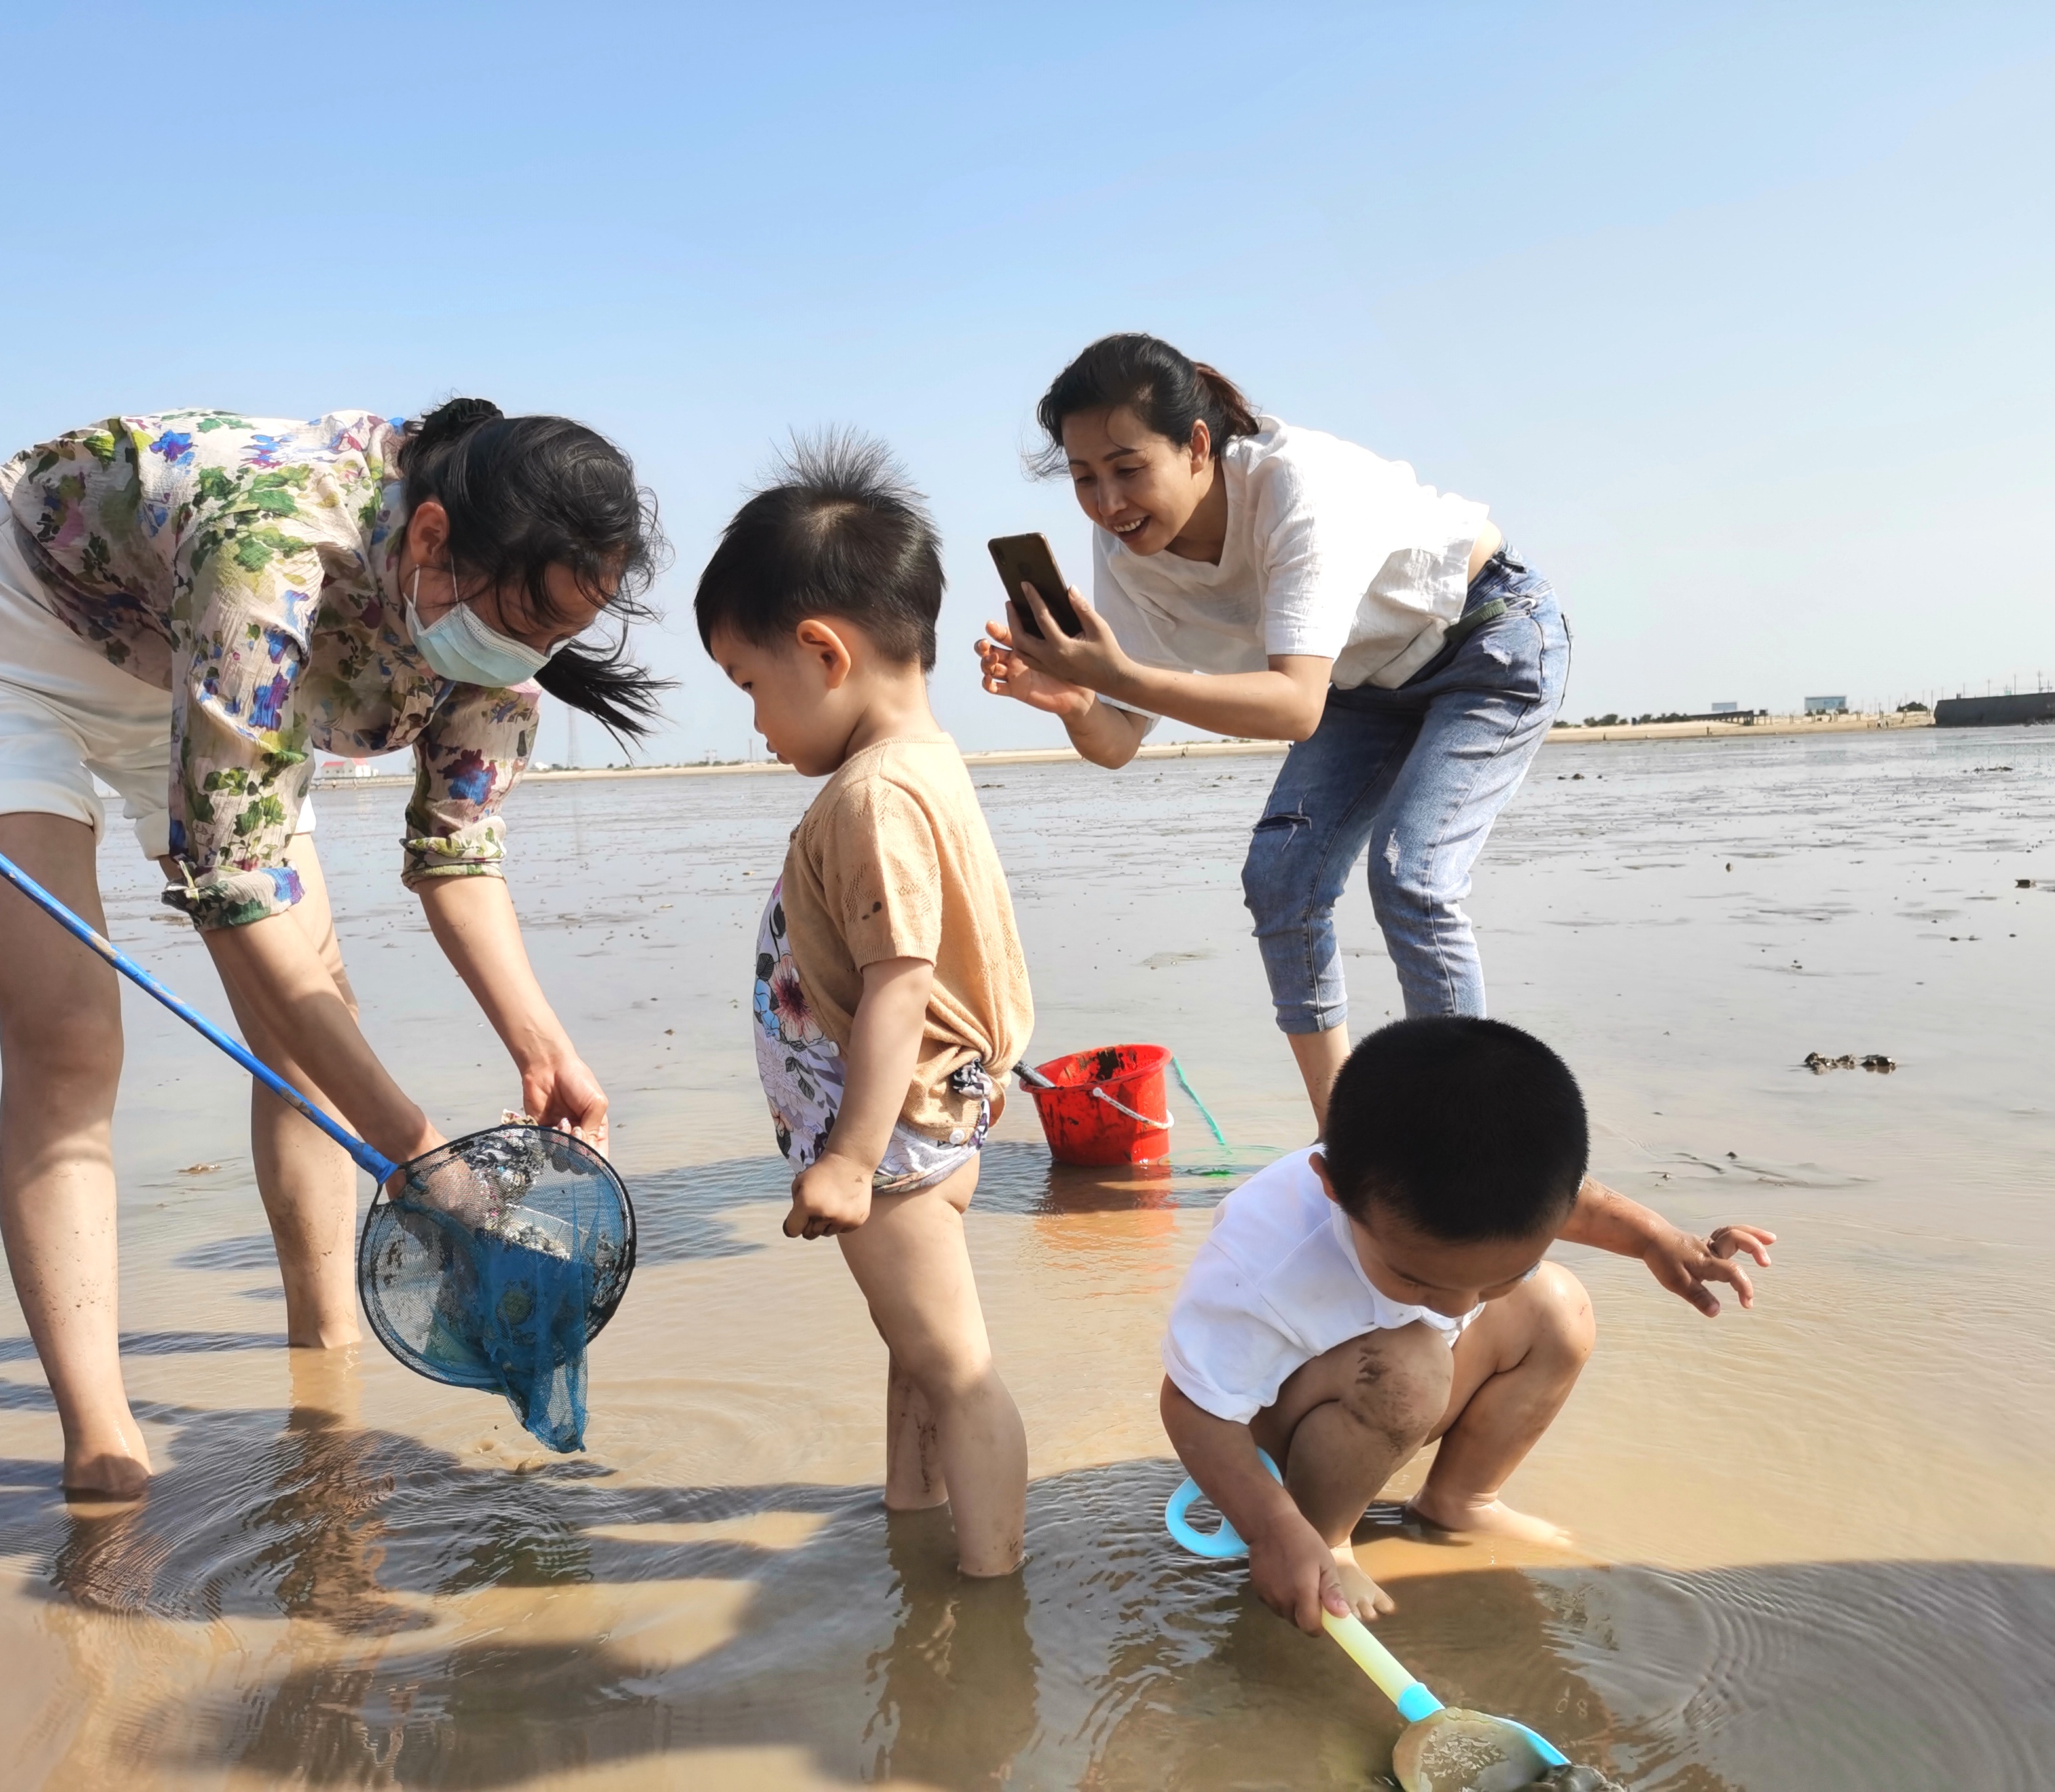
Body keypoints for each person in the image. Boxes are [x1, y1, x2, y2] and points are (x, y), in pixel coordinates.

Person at [0, 400, 667, 1496]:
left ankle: (326, 1363)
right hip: (20, 650)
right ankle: (101, 1442)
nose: (530, 655)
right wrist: (419, 1152)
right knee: (69, 1038)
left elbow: (457, 858)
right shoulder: (269, 552)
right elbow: (235, 891)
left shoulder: (496, 638)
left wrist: (542, 1043)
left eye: (557, 633)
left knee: (310, 1039)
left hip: (216, 683)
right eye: (524, 621)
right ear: (433, 540)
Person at [978, 333, 1568, 1128]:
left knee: (1413, 877)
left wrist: (1114, 675)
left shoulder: (1295, 485)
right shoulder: (1126, 550)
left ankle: (1467, 1130)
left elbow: (1294, 707)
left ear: (1195, 446)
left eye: (1127, 468)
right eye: (1084, 478)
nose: (1109, 502)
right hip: (1360, 682)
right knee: (1281, 877)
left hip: (1486, 639)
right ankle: (1347, 1135)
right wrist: (1075, 698)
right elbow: (1119, 742)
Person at [696, 435, 1034, 1577]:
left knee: (959, 1371)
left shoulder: (875, 794)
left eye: (749, 686)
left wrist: (846, 1158)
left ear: (822, 652)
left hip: (891, 1140)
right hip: (928, 1123)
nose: (752, 720)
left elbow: (900, 980)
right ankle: (910, 1515)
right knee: (920, 1354)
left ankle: (990, 1602)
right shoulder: (922, 762)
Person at [1159, 1016, 1777, 1631]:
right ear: (1333, 1190)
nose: (1458, 1307)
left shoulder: (1502, 1186)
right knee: (1415, 1363)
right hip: (1285, 1428)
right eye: (1415, 1280)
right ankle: (1325, 1539)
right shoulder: (1266, 1262)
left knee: (1558, 1307)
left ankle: (1462, 1499)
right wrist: (1270, 1530)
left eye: (1496, 1278)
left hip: (1391, 1394)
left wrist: (1658, 1240)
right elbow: (1194, 1407)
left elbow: (1585, 1206)